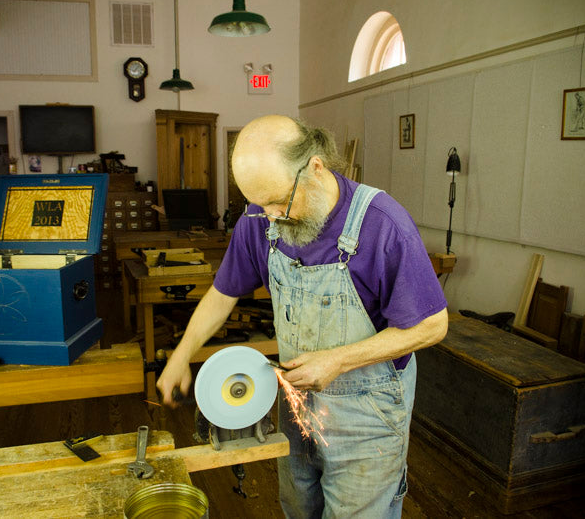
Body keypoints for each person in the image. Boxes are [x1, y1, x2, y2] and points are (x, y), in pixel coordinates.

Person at [157, 115, 448, 518]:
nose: (272, 216)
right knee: (299, 510)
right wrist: (180, 354)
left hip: (368, 417)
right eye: (261, 206)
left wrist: (339, 360)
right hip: (296, 406)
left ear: (315, 166)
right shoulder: (260, 220)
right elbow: (222, 295)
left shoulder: (382, 224)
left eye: (279, 201)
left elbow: (433, 325)